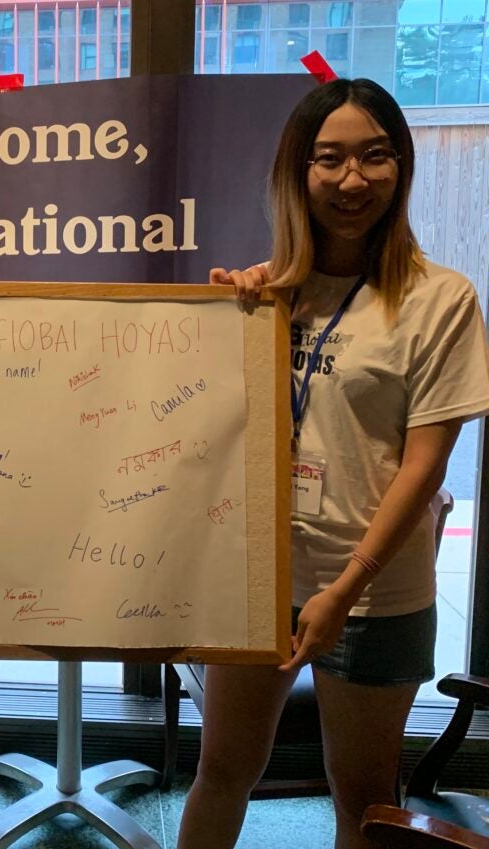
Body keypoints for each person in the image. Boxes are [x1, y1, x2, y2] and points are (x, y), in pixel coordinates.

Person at [177, 78, 489, 849]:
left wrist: (344, 590)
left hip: (376, 590)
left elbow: (424, 467)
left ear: (401, 166)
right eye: (330, 159)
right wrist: (226, 316)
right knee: (222, 770)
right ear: (299, 173)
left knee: (360, 795)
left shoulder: (440, 301)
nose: (353, 179)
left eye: (375, 156)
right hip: (264, 574)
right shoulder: (270, 293)